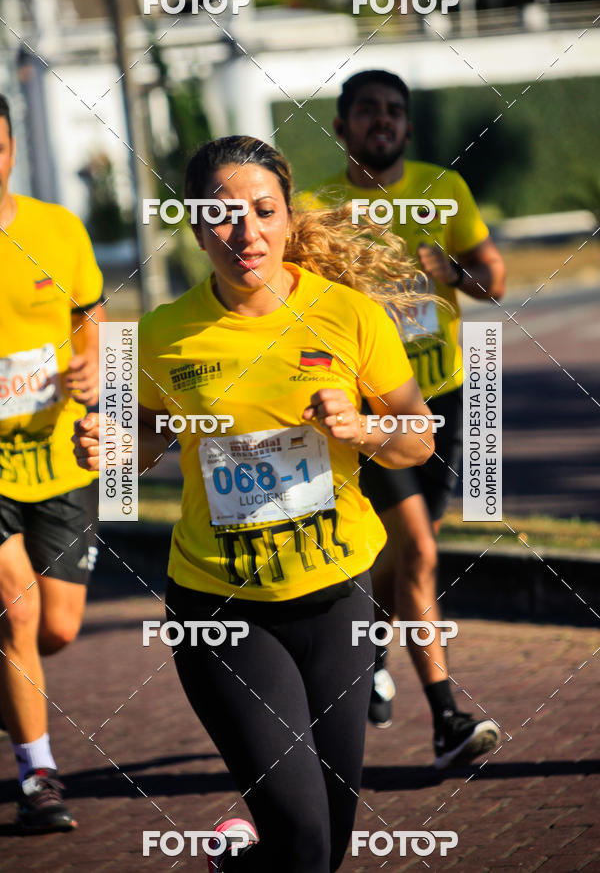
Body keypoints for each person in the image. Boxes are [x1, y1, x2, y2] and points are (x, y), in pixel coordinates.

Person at [74, 135, 438, 872]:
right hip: (221, 608)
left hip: (337, 598)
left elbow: (419, 438)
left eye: (263, 211)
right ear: (195, 223)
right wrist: (120, 450)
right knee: (302, 838)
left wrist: (362, 427)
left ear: (287, 214)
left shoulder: (347, 316)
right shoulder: (164, 333)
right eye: (222, 215)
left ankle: (234, 864)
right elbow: (146, 438)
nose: (246, 234)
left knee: (326, 844)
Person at [308, 70, 506, 768]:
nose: (381, 121)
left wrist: (451, 270)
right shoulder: (316, 208)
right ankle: (448, 720)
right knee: (419, 551)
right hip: (371, 412)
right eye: (366, 111)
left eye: (394, 111)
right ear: (341, 126)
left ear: (410, 127)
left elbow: (495, 280)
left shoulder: (442, 190)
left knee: (403, 557)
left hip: (445, 398)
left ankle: (368, 653)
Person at [0, 93, 104, 830]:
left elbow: (89, 318)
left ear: (9, 146)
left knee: (58, 627)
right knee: (18, 606)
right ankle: (39, 774)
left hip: (61, 452)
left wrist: (92, 368)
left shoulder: (56, 230)